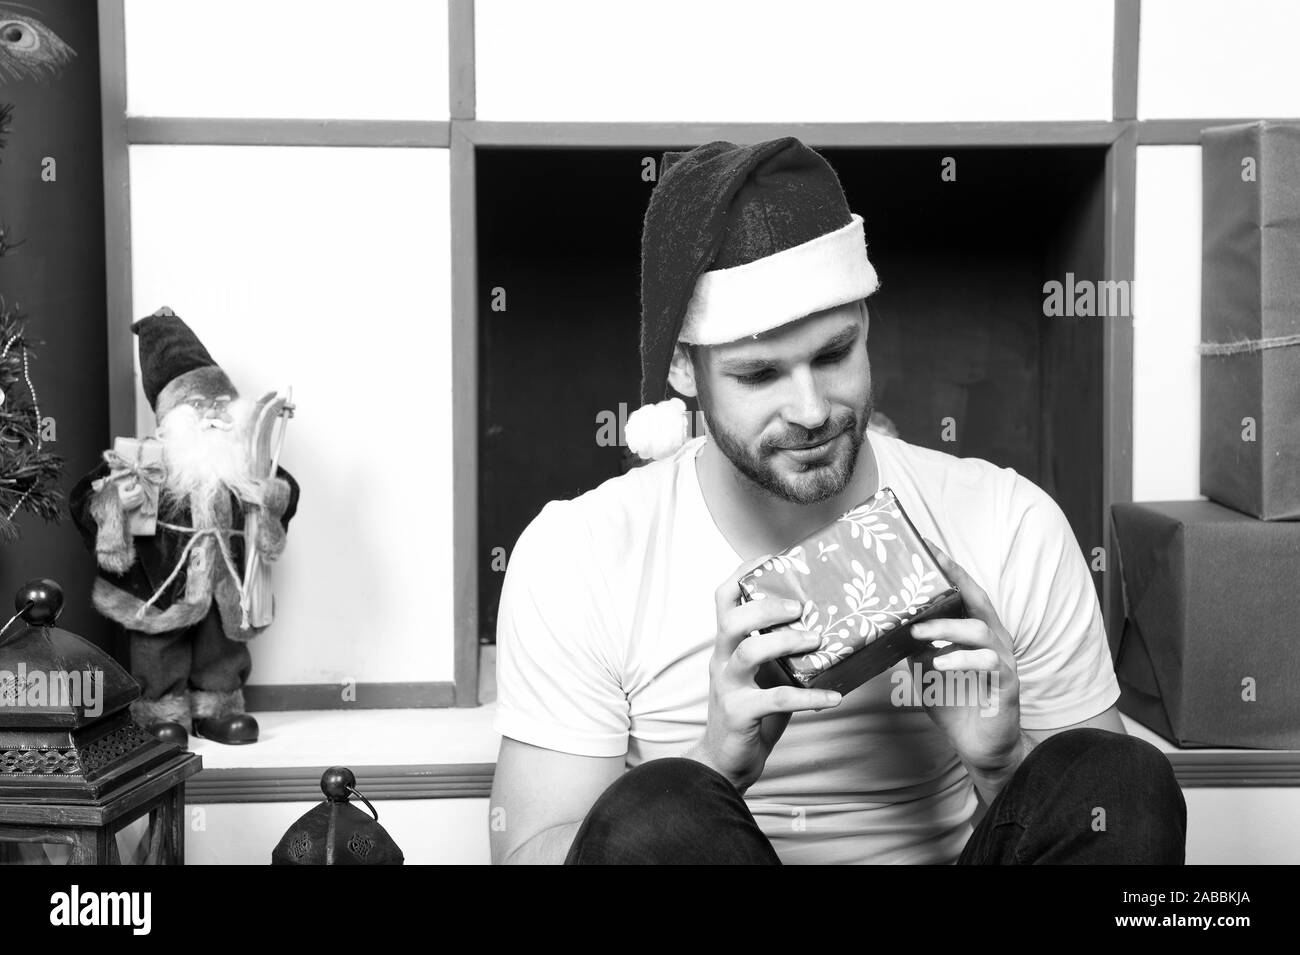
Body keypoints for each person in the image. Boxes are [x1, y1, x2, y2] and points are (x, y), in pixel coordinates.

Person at [489, 137, 1185, 864]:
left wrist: (1002, 764)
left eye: (833, 353)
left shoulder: (1010, 522)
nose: (813, 408)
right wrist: (710, 763)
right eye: (759, 374)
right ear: (682, 369)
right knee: (660, 813)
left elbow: (1105, 821)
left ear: (866, 327)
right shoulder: (582, 551)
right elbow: (527, 850)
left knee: (1124, 778)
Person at [71, 308, 299, 747]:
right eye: (198, 405)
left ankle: (218, 708)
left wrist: (269, 497)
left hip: (224, 584)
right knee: (159, 649)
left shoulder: (243, 464)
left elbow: (284, 490)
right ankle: (161, 710)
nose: (213, 414)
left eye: (220, 403)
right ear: (169, 414)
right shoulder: (145, 460)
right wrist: (114, 502)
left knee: (222, 649)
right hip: (161, 584)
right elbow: (85, 499)